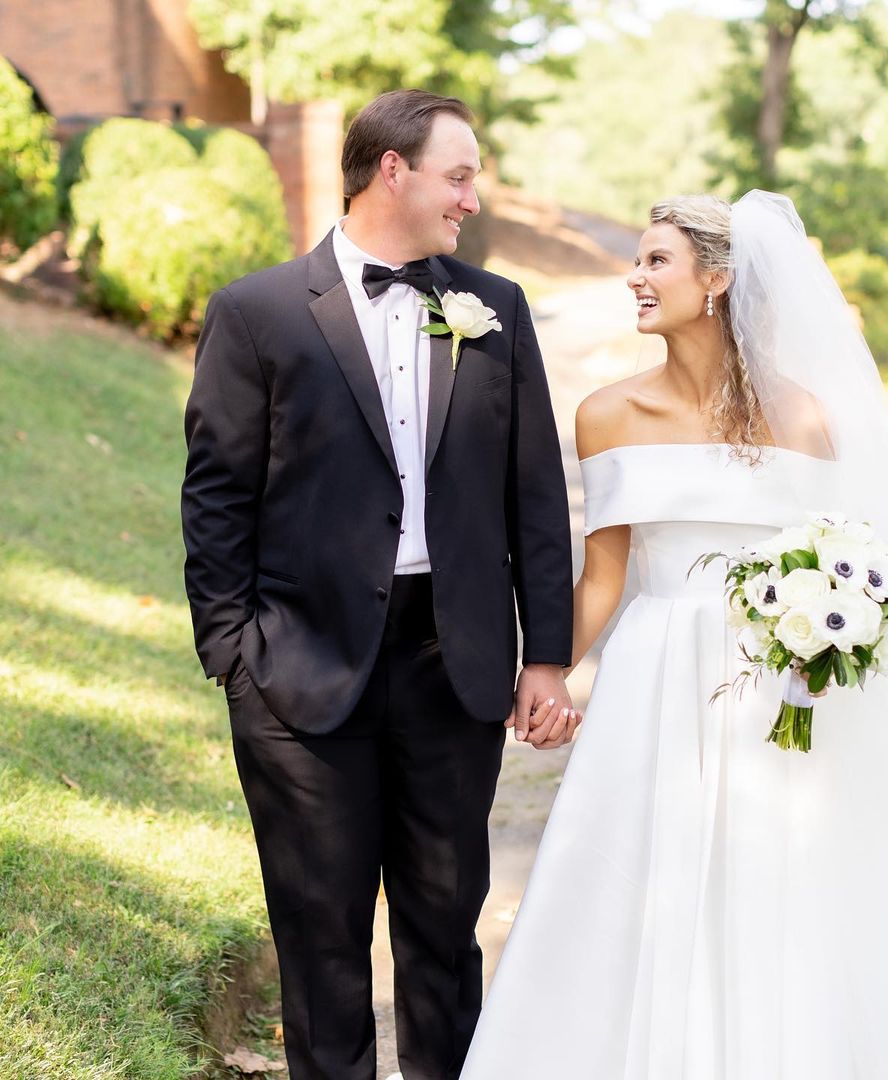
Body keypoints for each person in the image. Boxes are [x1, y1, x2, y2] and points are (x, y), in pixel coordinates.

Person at [459, 191, 888, 1080]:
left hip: (780, 691)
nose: (635, 276)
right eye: (638, 260)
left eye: (656, 260)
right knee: (629, 877)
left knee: (782, 889)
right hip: (655, 687)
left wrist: (835, 636)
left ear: (718, 279)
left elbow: (855, 562)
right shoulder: (606, 414)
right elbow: (607, 578)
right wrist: (542, 671)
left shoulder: (806, 417)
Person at [181, 89, 578, 1080]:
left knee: (445, 935)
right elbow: (217, 495)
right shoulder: (257, 314)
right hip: (299, 666)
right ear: (391, 170)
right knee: (320, 941)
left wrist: (547, 655)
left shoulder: (497, 312)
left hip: (456, 663)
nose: (473, 199)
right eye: (459, 174)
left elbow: (533, 492)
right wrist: (233, 651)